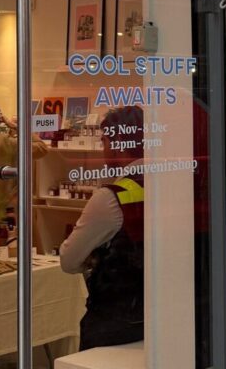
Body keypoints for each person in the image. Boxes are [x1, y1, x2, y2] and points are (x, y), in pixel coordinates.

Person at [60, 105, 145, 350]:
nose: (103, 148)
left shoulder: (110, 198)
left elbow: (69, 260)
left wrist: (93, 260)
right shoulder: (174, 180)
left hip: (115, 321)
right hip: (161, 315)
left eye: (105, 140)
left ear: (118, 141)